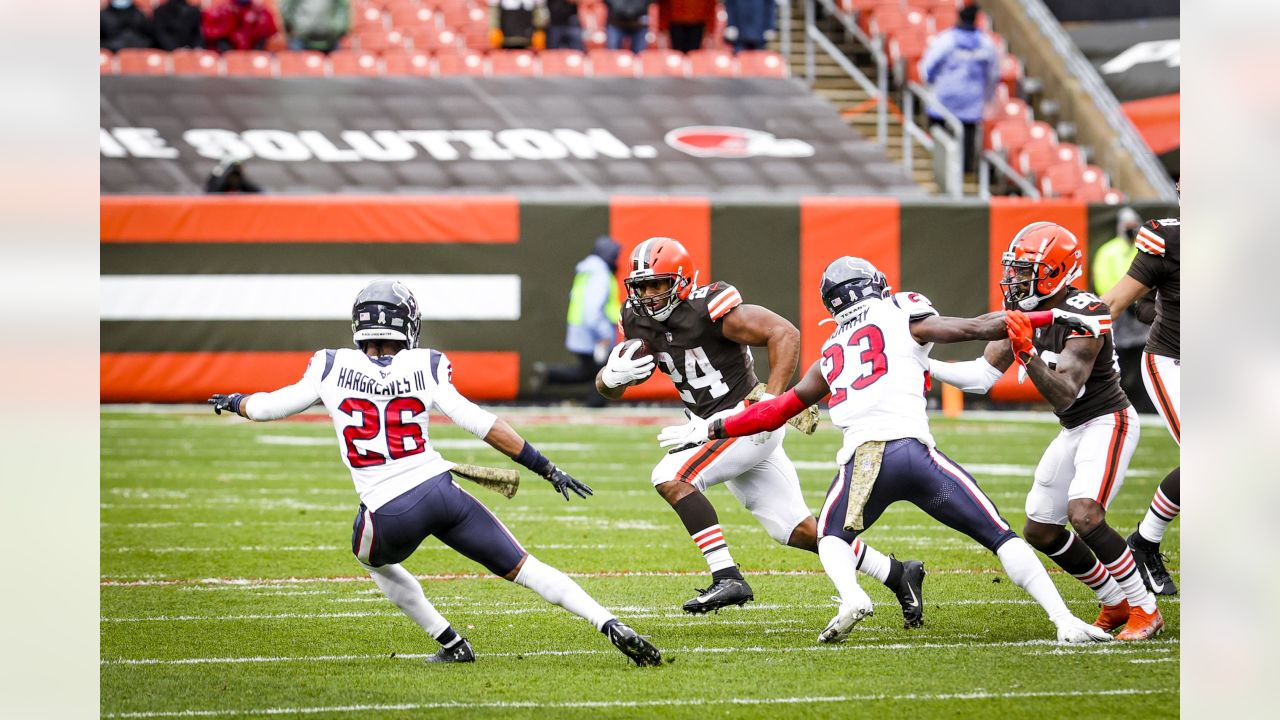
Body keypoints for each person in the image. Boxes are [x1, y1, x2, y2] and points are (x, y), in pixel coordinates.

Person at [657, 257, 1112, 645]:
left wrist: (712, 426)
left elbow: (774, 412)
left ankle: (854, 596)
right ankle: (1064, 620)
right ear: (874, 285)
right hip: (918, 456)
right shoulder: (900, 311)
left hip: (864, 462)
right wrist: (1052, 318)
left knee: (833, 538)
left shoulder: (832, 350)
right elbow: (975, 327)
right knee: (1001, 536)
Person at [206, 280, 662, 666]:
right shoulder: (427, 364)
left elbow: (266, 408)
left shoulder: (329, 364)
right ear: (406, 323)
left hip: (386, 510)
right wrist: (547, 468)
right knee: (525, 566)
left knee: (372, 561)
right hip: (441, 491)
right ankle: (609, 621)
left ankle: (451, 643)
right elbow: (481, 423)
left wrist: (234, 401)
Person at [597, 238, 927, 627]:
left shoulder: (710, 308)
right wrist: (610, 377)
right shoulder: (636, 320)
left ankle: (726, 575)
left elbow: (784, 333)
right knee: (794, 530)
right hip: (711, 426)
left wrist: (769, 403)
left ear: (682, 280)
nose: (649, 295)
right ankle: (897, 572)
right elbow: (610, 389)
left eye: (658, 284)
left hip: (743, 422)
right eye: (642, 286)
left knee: (671, 476)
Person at [929, 222, 1164, 641]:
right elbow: (982, 373)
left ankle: (1145, 608)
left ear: (1055, 271)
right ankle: (1114, 599)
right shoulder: (1029, 311)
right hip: (1074, 428)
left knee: (1085, 515)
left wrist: (1028, 354)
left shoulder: (1086, 312)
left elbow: (1066, 394)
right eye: (1013, 269)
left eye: (1024, 270)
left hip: (1107, 421)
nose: (1014, 278)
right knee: (1040, 529)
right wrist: (921, 362)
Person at [1102, 216, 1180, 596]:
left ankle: (1145, 542)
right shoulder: (1168, 240)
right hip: (1173, 359)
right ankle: (1144, 543)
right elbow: (1118, 303)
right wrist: (1055, 327)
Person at [530, 236, 622, 407]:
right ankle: (594, 407)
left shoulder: (586, 271)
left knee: (588, 371)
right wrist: (603, 334)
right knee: (606, 371)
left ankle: (549, 374)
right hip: (594, 335)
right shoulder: (600, 274)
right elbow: (593, 309)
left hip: (581, 333)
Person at [918, 3, 1000, 174]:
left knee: (940, 138)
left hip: (944, 100)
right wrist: (987, 98)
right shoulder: (986, 44)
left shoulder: (946, 40)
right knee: (965, 143)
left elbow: (928, 68)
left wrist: (930, 85)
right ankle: (963, 174)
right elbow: (992, 76)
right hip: (970, 103)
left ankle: (940, 170)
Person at [1092, 207, 1154, 413]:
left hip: (1141, 311)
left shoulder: (1143, 248)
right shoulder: (1108, 251)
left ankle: (1145, 402)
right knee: (1118, 358)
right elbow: (1102, 279)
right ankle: (1115, 400)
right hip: (1119, 312)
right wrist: (1124, 300)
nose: (1130, 230)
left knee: (1144, 356)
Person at [203, 0, 279, 52]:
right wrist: (232, 18)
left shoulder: (260, 12)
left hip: (252, 54)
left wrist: (256, 19)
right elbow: (209, 31)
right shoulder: (223, 10)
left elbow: (271, 31)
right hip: (225, 54)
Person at [281, 0, 350, 53]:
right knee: (297, 69)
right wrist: (295, 27)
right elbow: (288, 8)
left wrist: (337, 29)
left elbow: (342, 9)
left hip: (331, 40)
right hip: (301, 40)